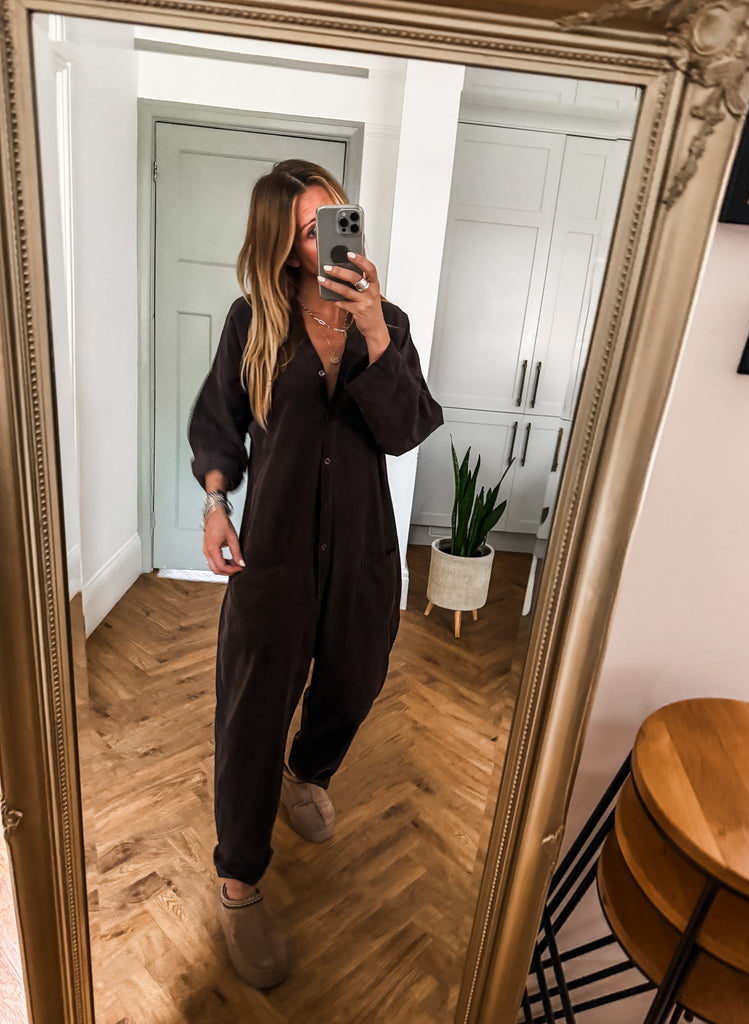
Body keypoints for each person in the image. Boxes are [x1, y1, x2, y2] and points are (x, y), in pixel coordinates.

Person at [188, 159, 443, 988]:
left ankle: (309, 773)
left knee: (355, 680)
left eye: (337, 216)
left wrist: (373, 328)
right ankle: (239, 882)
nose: (330, 236)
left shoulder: (387, 320)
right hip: (275, 549)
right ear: (285, 245)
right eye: (310, 228)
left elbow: (404, 431)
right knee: (253, 709)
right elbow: (219, 418)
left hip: (364, 546)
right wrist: (216, 504)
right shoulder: (252, 319)